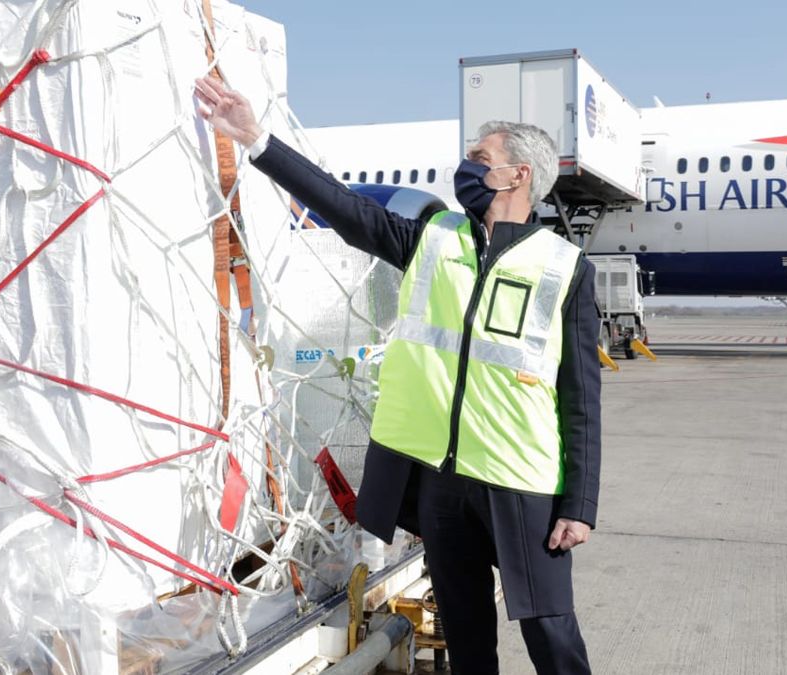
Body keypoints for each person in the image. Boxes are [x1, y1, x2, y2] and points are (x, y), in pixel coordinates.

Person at [195, 76, 600, 674]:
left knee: (551, 633)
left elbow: (581, 400)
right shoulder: (435, 240)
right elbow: (345, 206)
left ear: (517, 176)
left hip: (518, 479)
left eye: (479, 159)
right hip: (439, 478)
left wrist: (580, 503)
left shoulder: (565, 268)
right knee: (465, 634)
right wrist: (256, 140)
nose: (465, 168)